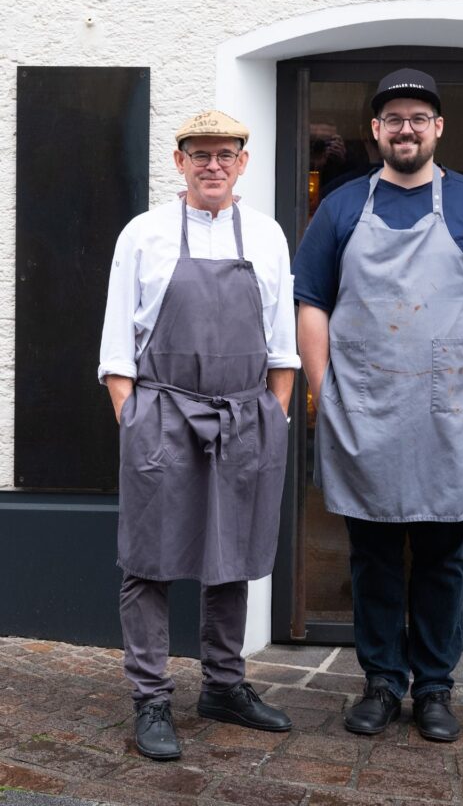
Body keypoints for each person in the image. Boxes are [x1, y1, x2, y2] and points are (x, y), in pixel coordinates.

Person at [293, 70, 463, 742]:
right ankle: (379, 683)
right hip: (364, 409)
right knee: (371, 557)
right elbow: (310, 301)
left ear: (437, 128)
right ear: (375, 130)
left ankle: (433, 688)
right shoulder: (342, 204)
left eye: (417, 117)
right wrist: (325, 388)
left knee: (441, 559)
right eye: (392, 117)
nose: (405, 128)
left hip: (450, 412)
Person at [99, 110, 299, 760]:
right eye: (199, 154)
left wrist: (274, 418)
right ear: (179, 161)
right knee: (148, 564)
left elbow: (281, 346)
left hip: (244, 418)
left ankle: (223, 685)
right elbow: (116, 348)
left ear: (243, 162)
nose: (212, 165)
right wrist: (134, 420)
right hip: (163, 416)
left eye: (224, 154)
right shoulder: (145, 234)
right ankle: (151, 697)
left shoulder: (266, 235)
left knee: (230, 557)